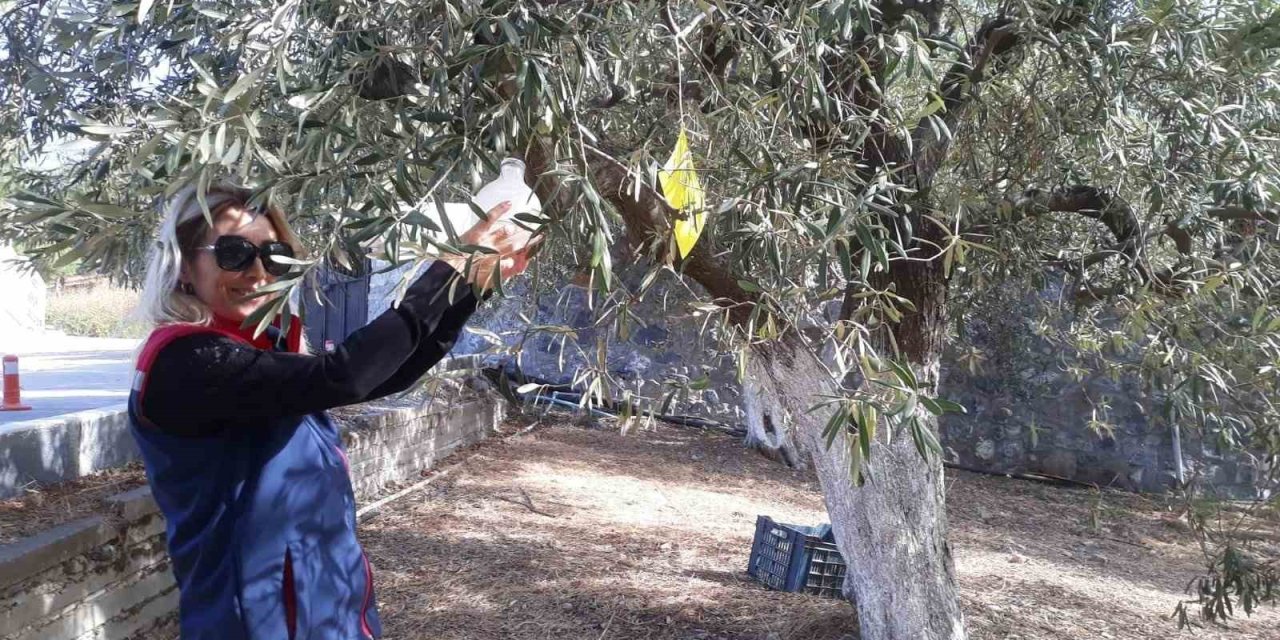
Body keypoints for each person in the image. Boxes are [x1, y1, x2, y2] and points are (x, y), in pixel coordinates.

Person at [128, 182, 537, 639]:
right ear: (185, 265)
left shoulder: (258, 349)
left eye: (275, 255)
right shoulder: (187, 362)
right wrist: (449, 269)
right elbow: (346, 375)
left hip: (325, 602)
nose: (258, 272)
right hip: (255, 620)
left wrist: (468, 289)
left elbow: (387, 376)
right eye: (233, 253)